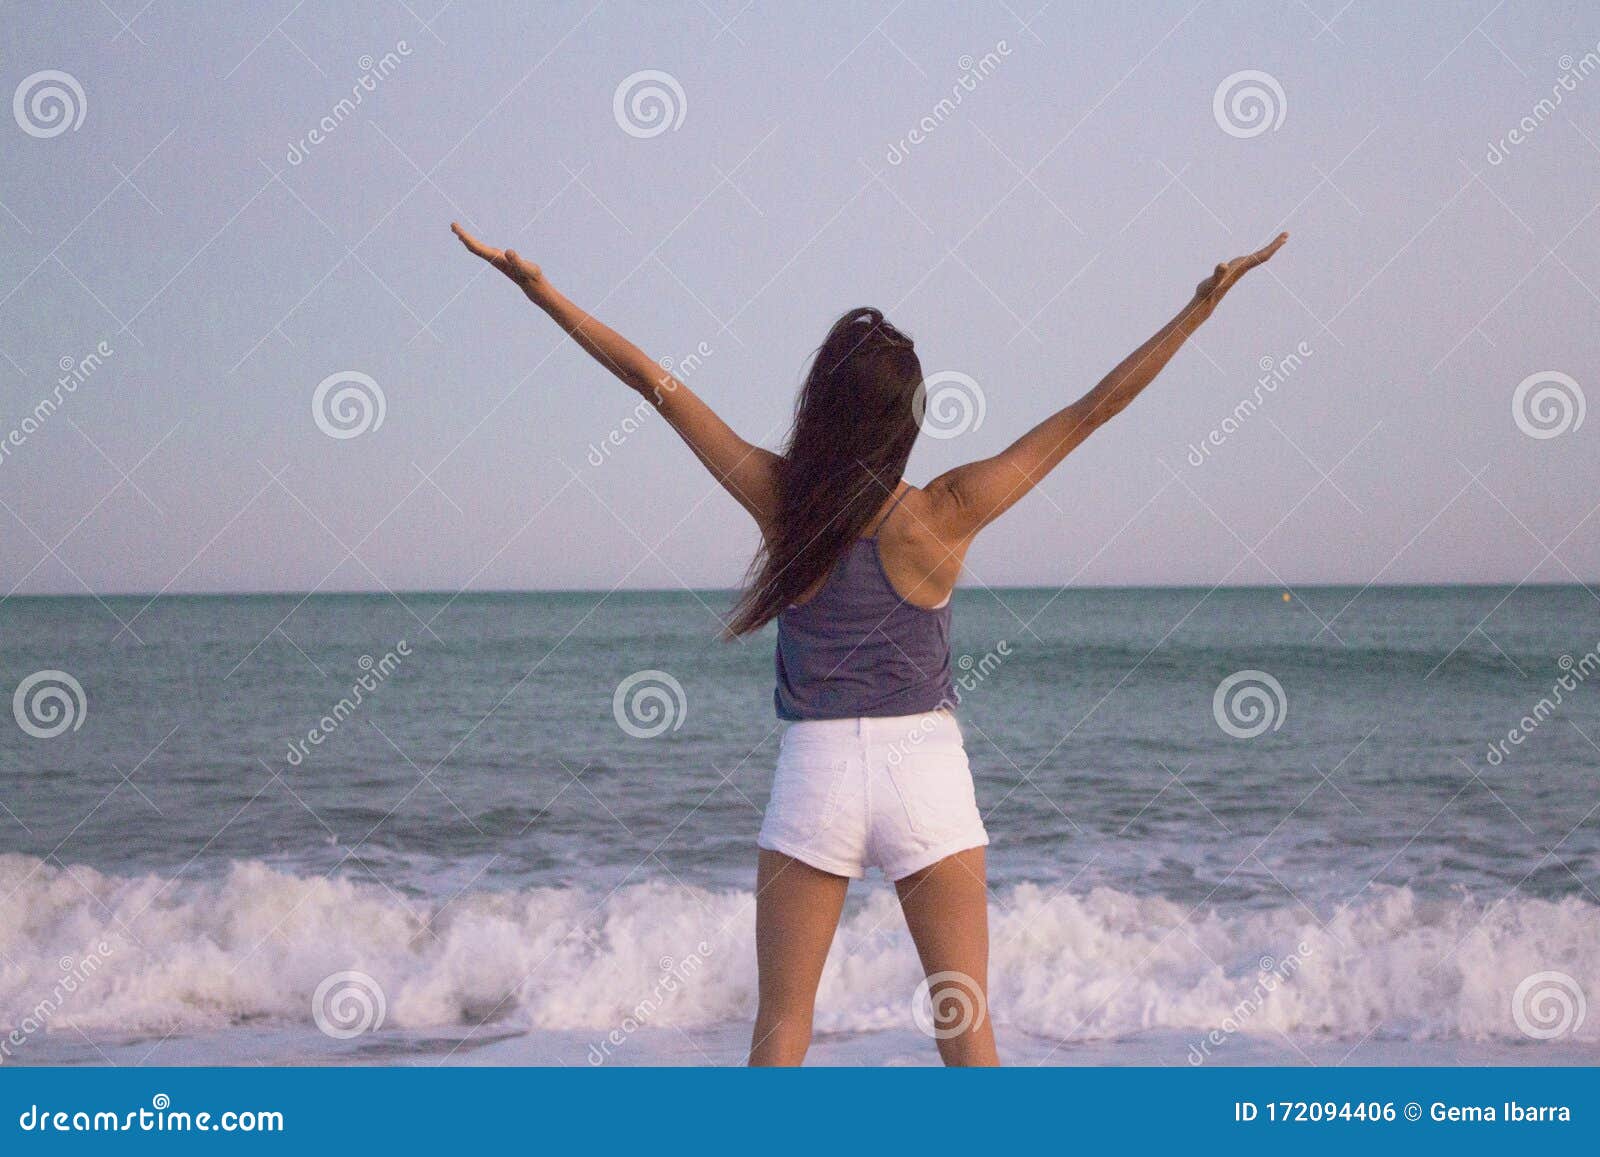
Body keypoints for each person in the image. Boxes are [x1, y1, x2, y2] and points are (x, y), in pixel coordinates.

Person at [451, 221, 1288, 1065]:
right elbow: (1091, 412)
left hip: (814, 774)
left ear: (822, 405)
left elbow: (654, 385)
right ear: (908, 420)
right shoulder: (947, 509)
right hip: (925, 770)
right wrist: (1198, 309)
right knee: (966, 1027)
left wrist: (543, 293)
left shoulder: (782, 499)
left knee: (781, 1029)